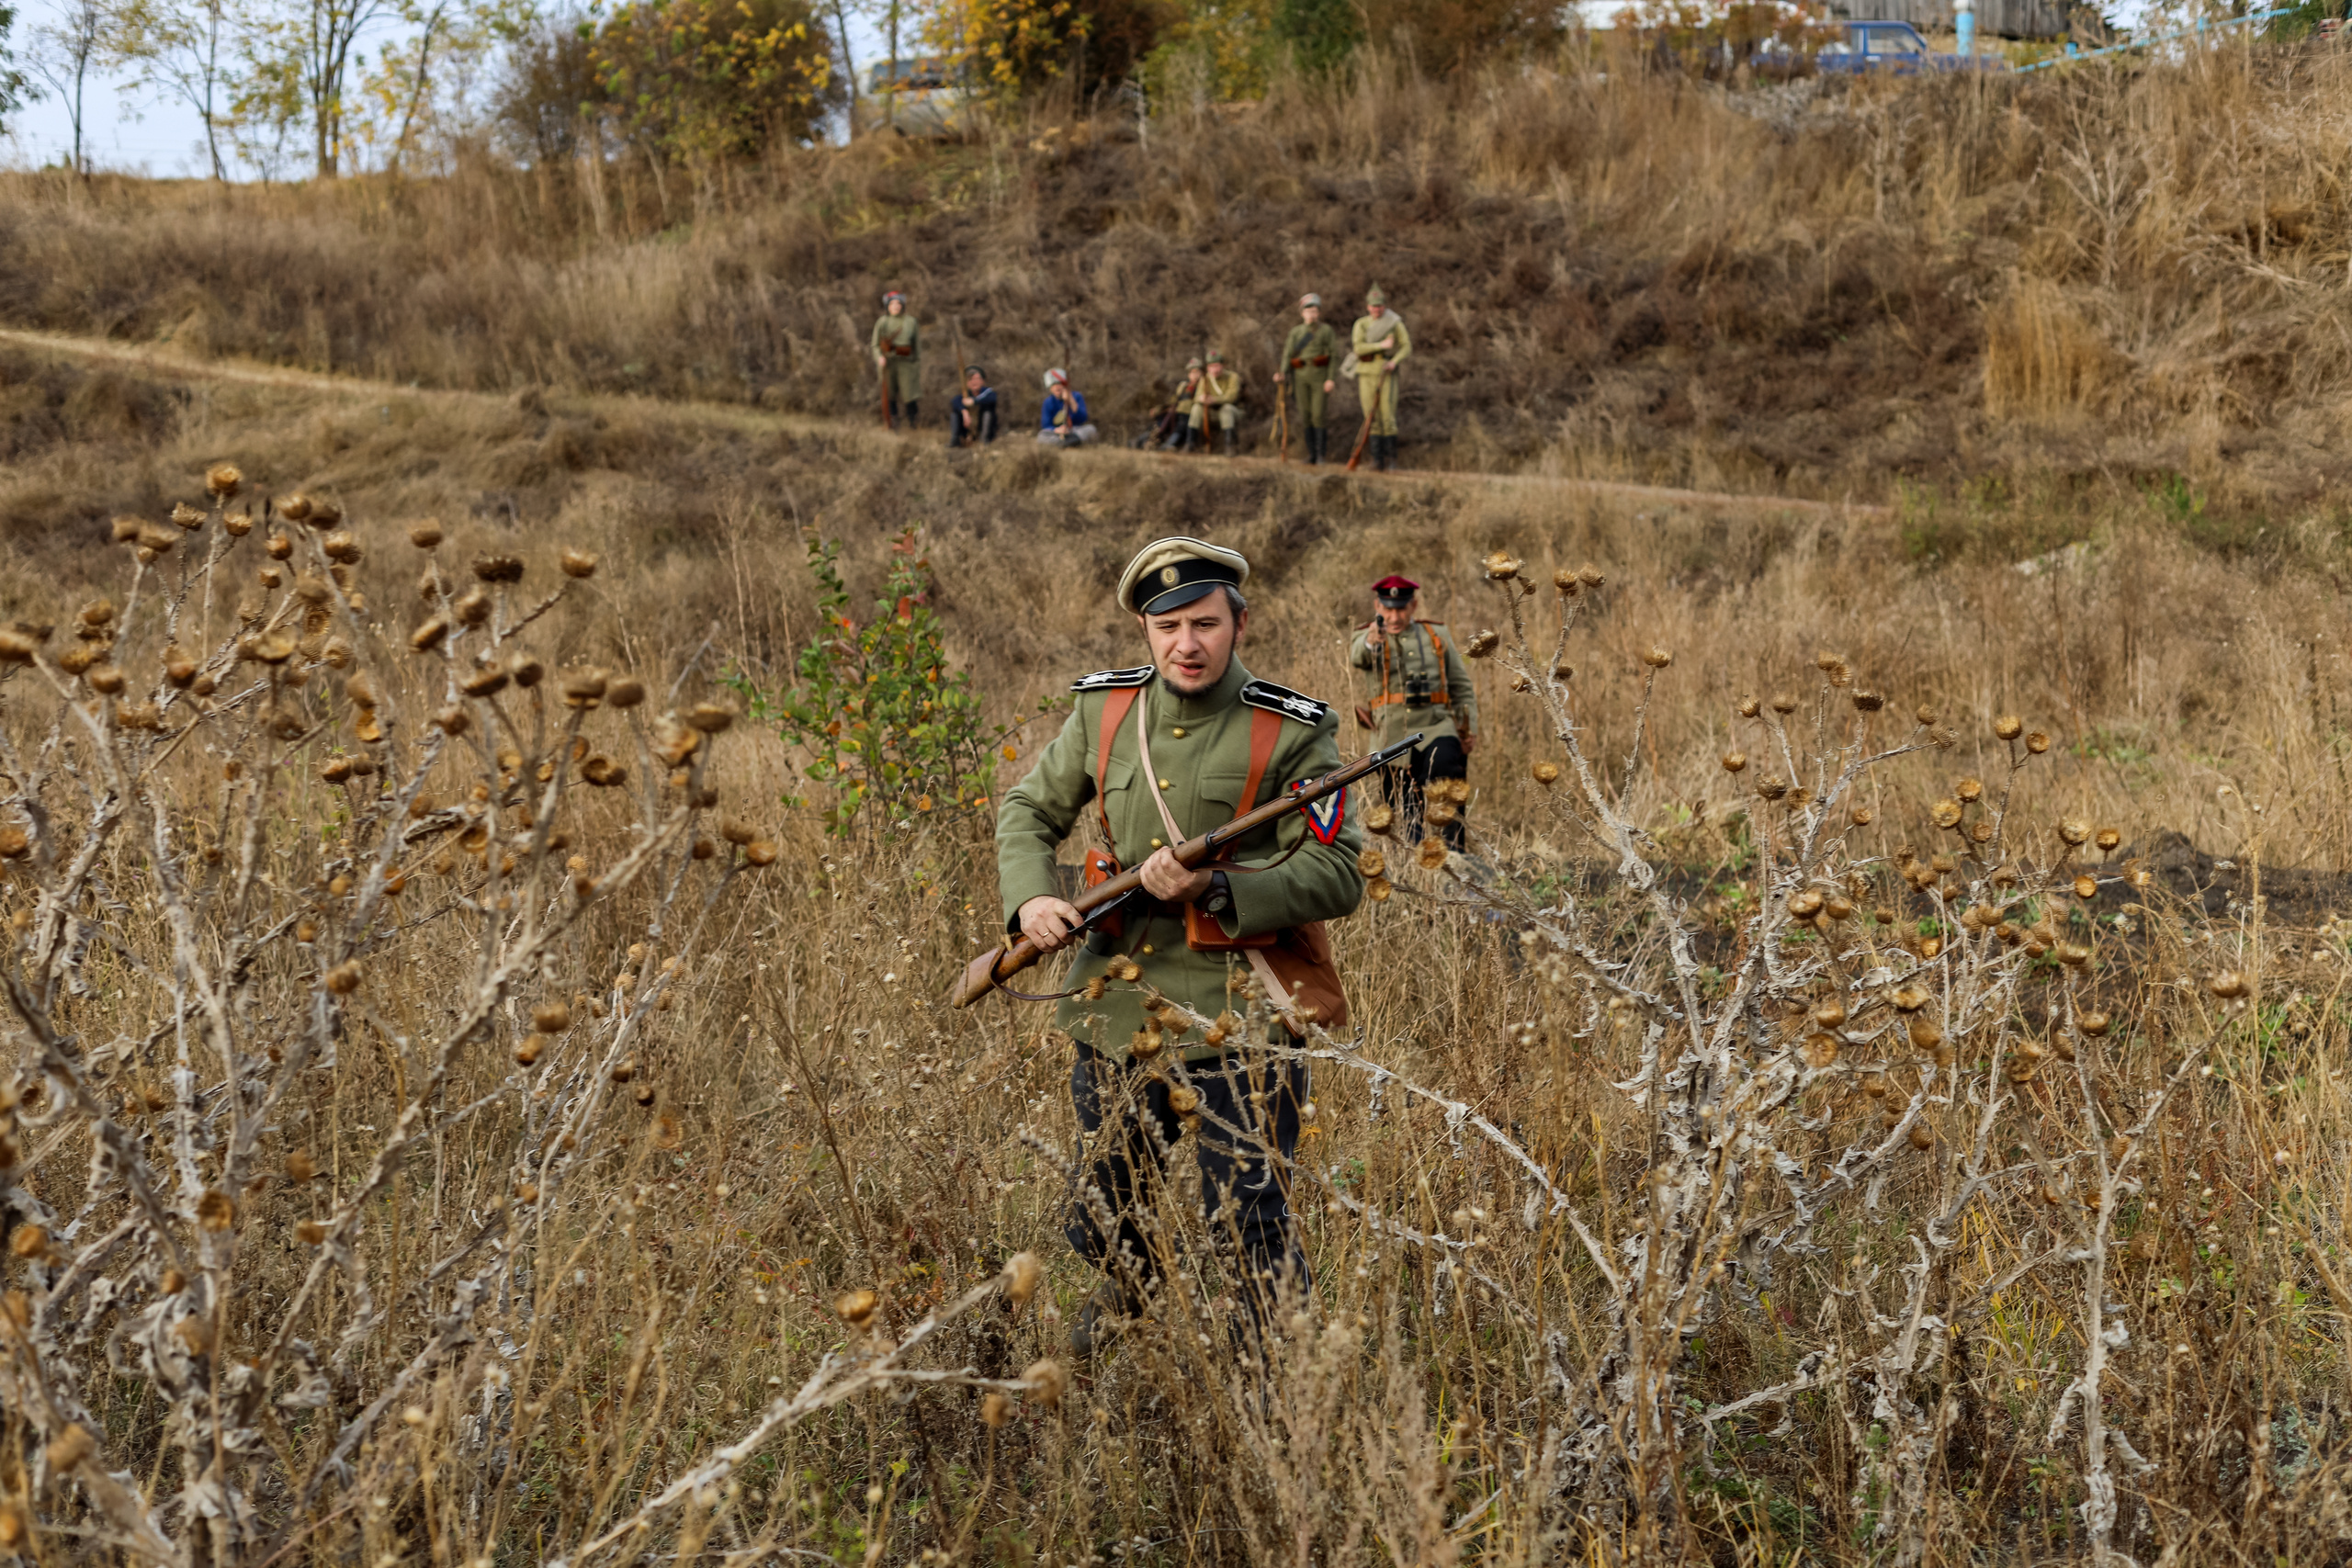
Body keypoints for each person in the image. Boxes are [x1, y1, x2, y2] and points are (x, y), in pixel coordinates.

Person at [997, 537, 1364, 1361]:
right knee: (1103, 1212)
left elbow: (1339, 871)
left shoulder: (1293, 729)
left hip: (1242, 1011)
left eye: (1205, 622)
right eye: (1168, 626)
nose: (1186, 644)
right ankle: (1122, 1315)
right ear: (1144, 629)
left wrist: (1219, 889)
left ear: (1240, 622)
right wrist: (1033, 897)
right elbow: (1027, 809)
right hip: (1117, 1005)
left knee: (1248, 1220)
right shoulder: (1106, 712)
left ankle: (1283, 1393)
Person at [1348, 574, 1477, 850]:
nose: (1395, 616)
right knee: (1405, 803)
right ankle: (1417, 863)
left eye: (1401, 609)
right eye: (1388, 609)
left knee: (1447, 773)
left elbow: (1461, 685)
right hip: (1391, 733)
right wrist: (1373, 640)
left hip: (1436, 725)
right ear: (1378, 607)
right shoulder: (1367, 637)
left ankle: (1457, 854)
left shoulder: (1436, 634)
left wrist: (1469, 728)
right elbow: (1357, 656)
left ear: (1413, 606)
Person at [1349, 286, 1412, 472]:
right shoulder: (1361, 324)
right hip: (1366, 372)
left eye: (1380, 306)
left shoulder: (1394, 322)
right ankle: (1377, 461)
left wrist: (1394, 361)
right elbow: (1358, 348)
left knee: (1388, 418)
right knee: (1371, 417)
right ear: (1368, 307)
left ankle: (1392, 462)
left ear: (1384, 306)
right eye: (1373, 306)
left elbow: (1406, 346)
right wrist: (1381, 345)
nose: (1377, 309)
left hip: (1386, 372)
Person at [1280, 294, 1340, 465]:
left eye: (1314, 311)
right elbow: (1288, 354)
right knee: (1305, 415)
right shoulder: (1296, 332)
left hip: (1319, 377)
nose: (1311, 314)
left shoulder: (1326, 331)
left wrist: (1330, 379)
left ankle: (1321, 455)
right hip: (1300, 377)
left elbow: (1334, 356)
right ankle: (1312, 454)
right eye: (1308, 311)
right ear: (1302, 313)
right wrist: (1282, 372)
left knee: (1318, 415)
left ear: (1319, 313)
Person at [869, 290, 922, 429]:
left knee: (910, 395)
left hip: (906, 363)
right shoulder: (882, 322)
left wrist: (916, 364)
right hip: (888, 365)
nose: (895, 306)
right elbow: (875, 345)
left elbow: (917, 347)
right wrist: (879, 357)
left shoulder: (911, 322)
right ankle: (893, 423)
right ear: (887, 306)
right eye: (892, 303)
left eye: (898, 303)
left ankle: (913, 424)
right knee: (889, 394)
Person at [1188, 351, 1245, 453]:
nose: (1214, 370)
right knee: (1196, 408)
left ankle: (1230, 446)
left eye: (1217, 366)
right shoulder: (1205, 379)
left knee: (1226, 409)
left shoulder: (1232, 377)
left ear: (1222, 365)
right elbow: (1196, 398)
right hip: (1212, 413)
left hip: (1233, 412)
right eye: (1211, 366)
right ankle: (1190, 444)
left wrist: (1214, 400)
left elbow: (1231, 397)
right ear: (1208, 368)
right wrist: (1201, 399)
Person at [1038, 369, 1099, 446]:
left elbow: (1083, 418)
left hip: (1075, 431)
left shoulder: (1077, 396)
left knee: (1091, 429)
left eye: (1059, 383)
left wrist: (1070, 400)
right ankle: (1068, 443)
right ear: (1050, 388)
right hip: (1057, 433)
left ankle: (1068, 442)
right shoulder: (1048, 402)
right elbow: (1046, 425)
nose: (1057, 387)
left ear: (1065, 385)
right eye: (1053, 384)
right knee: (1041, 436)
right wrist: (1057, 430)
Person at [946, 365, 1000, 448]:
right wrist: (964, 411)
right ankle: (956, 440)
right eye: (970, 379)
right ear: (967, 383)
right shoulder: (965, 394)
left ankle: (984, 441)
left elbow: (992, 399)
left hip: (981, 427)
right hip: (969, 427)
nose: (974, 382)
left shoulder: (988, 392)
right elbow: (955, 402)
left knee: (987, 412)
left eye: (977, 379)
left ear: (983, 381)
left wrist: (974, 401)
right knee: (954, 413)